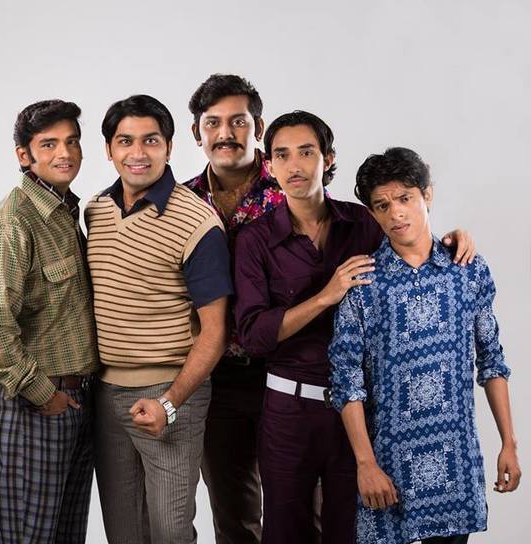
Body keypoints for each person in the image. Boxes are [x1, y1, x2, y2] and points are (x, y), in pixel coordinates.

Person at [234, 111, 475, 544]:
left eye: (306, 152)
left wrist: (454, 239)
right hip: (289, 410)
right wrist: (325, 296)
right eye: (282, 155)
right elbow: (252, 335)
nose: (294, 165)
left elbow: (410, 248)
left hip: (359, 413)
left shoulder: (361, 223)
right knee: (285, 532)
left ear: (328, 158)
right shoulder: (255, 239)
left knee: (352, 531)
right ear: (268, 165)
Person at [329, 147, 521, 544]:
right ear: (372, 213)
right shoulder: (363, 284)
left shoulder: (468, 270)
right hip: (388, 468)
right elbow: (346, 382)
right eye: (382, 205)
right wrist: (366, 464)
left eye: (405, 198)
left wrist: (509, 443)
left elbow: (492, 360)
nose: (396, 213)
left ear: (427, 194)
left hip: (455, 467)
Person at [86, 94, 231, 543]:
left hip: (171, 392)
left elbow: (215, 332)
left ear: (169, 147)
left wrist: (170, 402)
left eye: (150, 140)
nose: (138, 152)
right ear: (108, 149)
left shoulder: (197, 222)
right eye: (125, 141)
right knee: (124, 532)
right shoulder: (95, 211)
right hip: (106, 394)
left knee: (170, 532)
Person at [0, 100, 99, 543]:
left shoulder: (64, 213)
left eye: (72, 142)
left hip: (75, 402)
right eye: (49, 144)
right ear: (24, 155)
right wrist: (43, 394)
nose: (65, 153)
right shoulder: (13, 222)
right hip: (32, 409)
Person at [184, 73, 283, 543]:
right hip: (215, 379)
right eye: (213, 123)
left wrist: (440, 241)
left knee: (305, 513)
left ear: (258, 127)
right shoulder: (180, 202)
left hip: (289, 373)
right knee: (234, 516)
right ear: (196, 132)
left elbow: (360, 232)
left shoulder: (293, 189)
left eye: (238, 121)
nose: (225, 134)